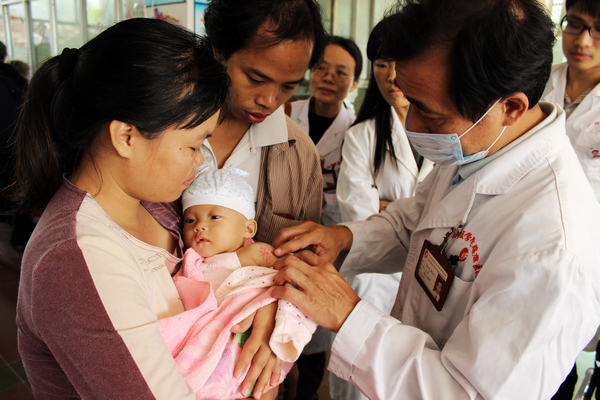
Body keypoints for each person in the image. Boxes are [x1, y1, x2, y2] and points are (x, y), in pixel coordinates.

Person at [269, 0, 600, 399]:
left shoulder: (552, 249)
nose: (413, 125)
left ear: (510, 107)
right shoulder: (478, 149)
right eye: (409, 101)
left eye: (431, 114)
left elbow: (464, 392)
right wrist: (343, 238)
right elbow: (414, 221)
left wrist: (349, 315)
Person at [14, 18, 281, 400]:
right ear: (126, 136)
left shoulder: (158, 205)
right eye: (193, 146)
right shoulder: (76, 258)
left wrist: (259, 308)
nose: (199, 162)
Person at [329, 21, 434, 400]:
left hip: (427, 277)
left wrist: (389, 207)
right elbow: (360, 213)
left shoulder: (444, 131)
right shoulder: (363, 135)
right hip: (372, 277)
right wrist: (411, 214)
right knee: (359, 381)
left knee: (413, 377)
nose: (391, 76)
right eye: (381, 64)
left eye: (400, 62)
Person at [159, 168, 316, 399]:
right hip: (210, 341)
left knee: (262, 382)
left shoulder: (255, 254)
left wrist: (272, 303)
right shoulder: (191, 263)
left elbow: (293, 277)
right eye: (190, 220)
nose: (199, 226)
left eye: (214, 217)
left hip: (246, 335)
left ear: (248, 228)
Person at [201, 0, 328, 245]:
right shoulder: (165, 126)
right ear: (219, 51)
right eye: (256, 79)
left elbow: (302, 254)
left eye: (288, 86)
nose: (269, 101)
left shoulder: (301, 157)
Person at [541, 0, 600, 397]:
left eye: (598, 31)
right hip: (522, 231)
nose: (583, 41)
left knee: (559, 363)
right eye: (575, 25)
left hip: (586, 252)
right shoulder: (537, 80)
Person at [288, 36, 362, 226]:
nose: (328, 78)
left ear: (355, 83)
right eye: (321, 68)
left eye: (341, 72)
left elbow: (356, 195)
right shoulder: (284, 114)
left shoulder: (357, 133)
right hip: (279, 222)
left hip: (330, 228)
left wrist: (322, 201)